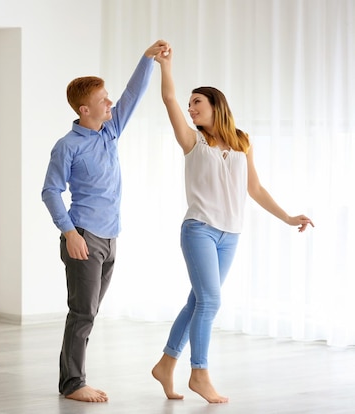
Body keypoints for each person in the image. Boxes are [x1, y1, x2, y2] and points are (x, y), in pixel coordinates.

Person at [150, 48, 314, 403]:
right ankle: (200, 374)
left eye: (197, 103)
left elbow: (254, 188)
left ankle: (165, 364)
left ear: (215, 105)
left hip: (231, 234)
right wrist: (166, 65)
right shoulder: (193, 141)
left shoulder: (242, 142)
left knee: (198, 301)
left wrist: (287, 217)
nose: (191, 109)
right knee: (210, 301)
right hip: (199, 229)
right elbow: (168, 98)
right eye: (190, 104)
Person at [42, 40, 170, 403]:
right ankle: (73, 384)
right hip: (84, 236)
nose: (110, 103)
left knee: (90, 312)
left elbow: (133, 94)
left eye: (108, 97)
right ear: (85, 109)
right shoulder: (68, 145)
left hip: (111, 237)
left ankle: (74, 378)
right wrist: (69, 233)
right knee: (82, 312)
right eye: (103, 99)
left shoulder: (110, 132)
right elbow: (50, 191)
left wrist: (148, 60)